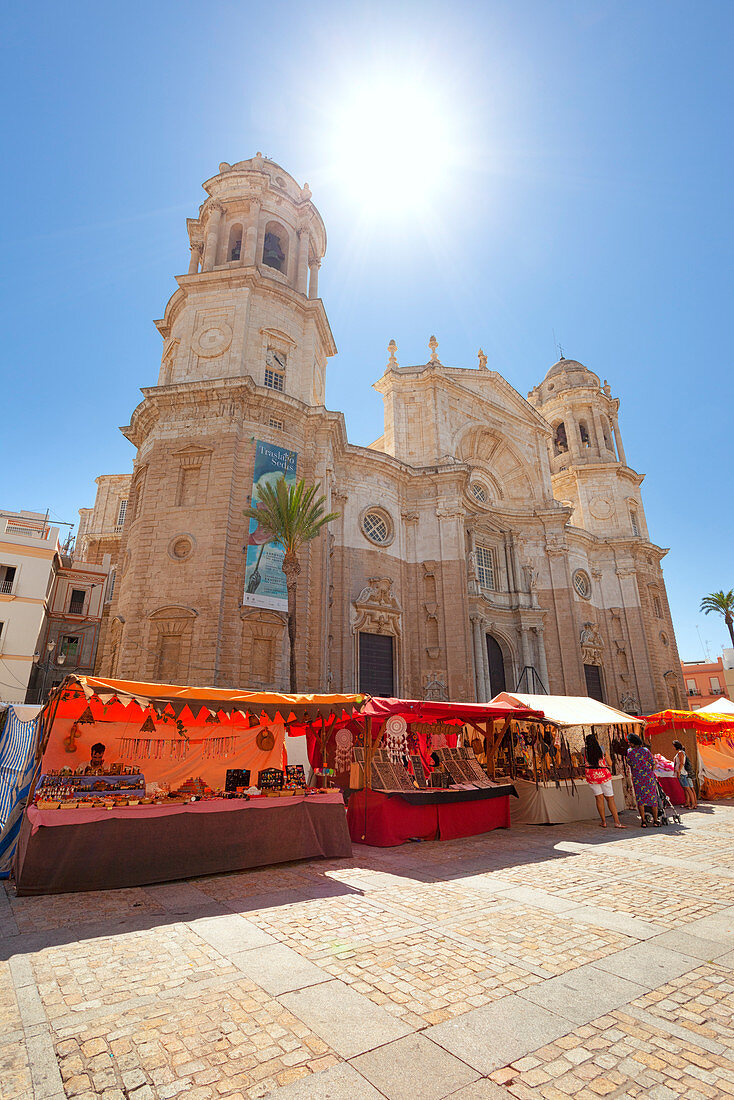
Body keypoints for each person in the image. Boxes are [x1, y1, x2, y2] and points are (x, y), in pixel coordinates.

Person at [584, 732, 626, 828]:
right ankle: (617, 822)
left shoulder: (584, 751)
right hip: (604, 775)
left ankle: (603, 822)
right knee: (610, 798)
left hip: (592, 776)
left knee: (599, 798)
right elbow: (610, 763)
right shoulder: (602, 750)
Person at [626, 733, 659, 826]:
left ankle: (643, 821)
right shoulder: (646, 750)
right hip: (648, 777)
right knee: (653, 798)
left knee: (640, 800)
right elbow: (652, 762)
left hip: (637, 778)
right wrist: (651, 772)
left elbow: (629, 762)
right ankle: (656, 821)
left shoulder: (630, 751)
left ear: (632, 743)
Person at [672, 740, 697, 809]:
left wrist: (679, 771)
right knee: (685, 789)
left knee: (688, 789)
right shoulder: (681, 753)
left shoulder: (680, 753)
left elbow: (681, 763)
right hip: (682, 772)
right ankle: (688, 802)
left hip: (682, 773)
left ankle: (693, 804)